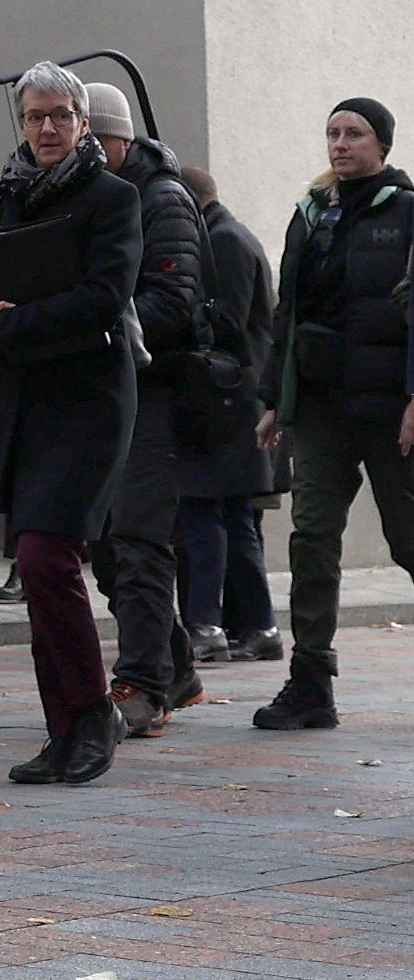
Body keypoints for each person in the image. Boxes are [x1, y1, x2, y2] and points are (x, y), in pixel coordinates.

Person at [0, 62, 145, 785]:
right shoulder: (13, 193)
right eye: (33, 117)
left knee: (47, 558)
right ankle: (63, 730)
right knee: (38, 573)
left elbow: (104, 299)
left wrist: (9, 330)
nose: (45, 129)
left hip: (91, 404)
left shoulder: (114, 197)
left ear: (81, 123)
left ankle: (93, 713)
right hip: (25, 404)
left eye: (58, 117)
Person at [250, 99, 414, 731]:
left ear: (383, 145)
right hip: (321, 407)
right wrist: (274, 400)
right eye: (332, 133)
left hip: (390, 410)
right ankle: (311, 682)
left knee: (407, 540)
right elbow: (285, 313)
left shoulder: (405, 211)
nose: (340, 144)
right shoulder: (311, 214)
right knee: (312, 538)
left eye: (354, 134)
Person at [80, 80, 207, 733]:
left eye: (94, 139)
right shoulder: (74, 196)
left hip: (151, 392)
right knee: (103, 543)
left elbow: (175, 300)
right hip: (94, 391)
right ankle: (174, 663)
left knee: (137, 538)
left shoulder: (161, 199)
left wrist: (93, 325)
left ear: (121, 138)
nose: (84, 150)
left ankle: (142, 684)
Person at [174, 170, 282, 666]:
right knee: (234, 520)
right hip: (235, 402)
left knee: (204, 514)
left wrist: (184, 311)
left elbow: (228, 320)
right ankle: (259, 628)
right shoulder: (229, 236)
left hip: (224, 404)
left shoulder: (224, 242)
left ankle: (207, 625)